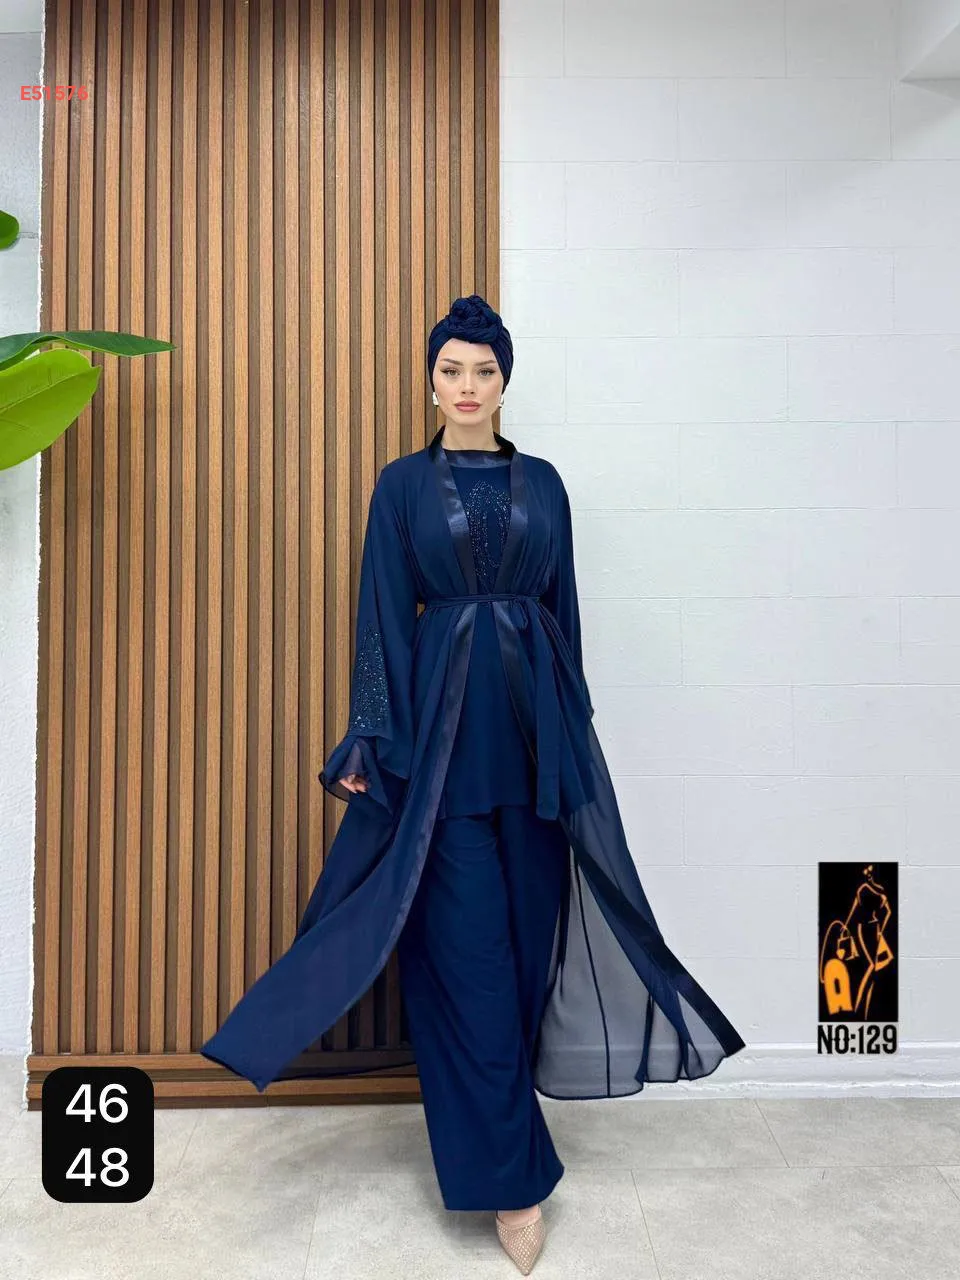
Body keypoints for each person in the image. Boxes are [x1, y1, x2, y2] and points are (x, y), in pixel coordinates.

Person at [201, 294, 746, 1275]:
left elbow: (563, 615)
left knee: (527, 956)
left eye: (483, 371)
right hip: (444, 757)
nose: (467, 386)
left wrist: (572, 737)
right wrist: (373, 732)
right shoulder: (402, 486)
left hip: (536, 754)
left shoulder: (547, 484)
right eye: (451, 370)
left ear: (504, 382)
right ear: (430, 381)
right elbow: (381, 618)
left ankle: (503, 1133)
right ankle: (512, 1180)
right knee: (470, 967)